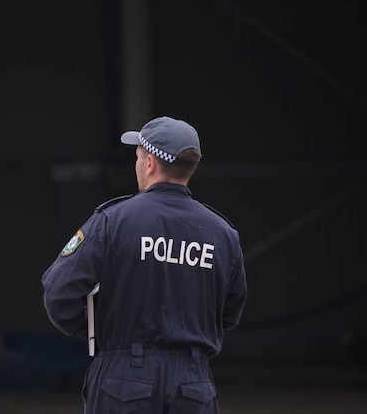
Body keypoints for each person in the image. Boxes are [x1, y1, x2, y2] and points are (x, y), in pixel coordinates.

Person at [42, 116, 247, 414]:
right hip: (193, 385)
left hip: (123, 377)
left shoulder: (113, 221)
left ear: (149, 163)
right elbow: (230, 313)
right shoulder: (223, 234)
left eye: (138, 156)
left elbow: (59, 295)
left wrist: (102, 331)